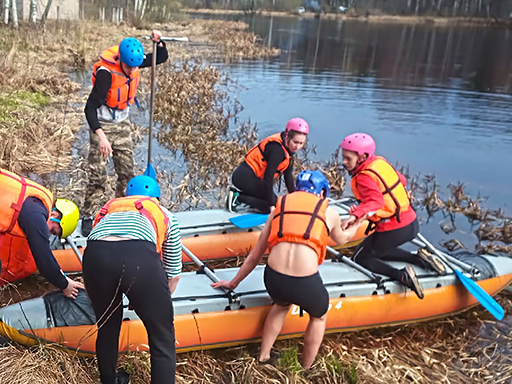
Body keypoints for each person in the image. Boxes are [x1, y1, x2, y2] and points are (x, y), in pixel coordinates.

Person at [214, 170, 365, 369]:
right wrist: (358, 223)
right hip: (304, 281)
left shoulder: (279, 207)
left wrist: (233, 283)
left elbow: (255, 255)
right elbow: (342, 239)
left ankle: (264, 356)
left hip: (274, 278)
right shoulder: (330, 212)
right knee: (319, 316)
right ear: (321, 193)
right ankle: (306, 367)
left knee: (281, 305)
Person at [83, 175, 182, 384]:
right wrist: (151, 302)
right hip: (138, 255)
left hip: (95, 255)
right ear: (156, 198)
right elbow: (172, 274)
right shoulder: (165, 214)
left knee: (107, 326)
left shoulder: (107, 210)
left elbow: (99, 244)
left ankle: (110, 380)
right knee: (162, 337)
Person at [339, 133, 446, 300]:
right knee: (377, 250)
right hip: (410, 223)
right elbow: (401, 180)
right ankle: (419, 259)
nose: (344, 162)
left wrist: (357, 215)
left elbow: (376, 201)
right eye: (343, 157)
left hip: (393, 229)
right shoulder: (379, 162)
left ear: (363, 157)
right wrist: (364, 208)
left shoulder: (364, 177)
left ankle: (402, 276)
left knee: (360, 257)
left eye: (348, 158)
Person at [82, 31, 169, 234]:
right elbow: (89, 109)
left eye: (135, 67)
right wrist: (101, 137)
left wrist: (160, 42)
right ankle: (88, 214)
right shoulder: (106, 74)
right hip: (102, 125)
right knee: (98, 176)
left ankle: (120, 212)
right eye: (129, 66)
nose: (132, 70)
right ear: (121, 60)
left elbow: (162, 57)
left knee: (127, 173)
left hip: (122, 125)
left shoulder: (136, 61)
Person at [0, 168, 83, 298]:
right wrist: (65, 285)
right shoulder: (36, 215)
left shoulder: (34, 203)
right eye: (53, 230)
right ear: (55, 214)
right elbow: (43, 259)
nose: (48, 233)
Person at [226, 117, 309, 214]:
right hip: (244, 177)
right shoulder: (277, 150)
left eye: (301, 143)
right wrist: (271, 206)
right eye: (295, 142)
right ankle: (237, 198)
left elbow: (288, 175)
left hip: (253, 179)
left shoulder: (287, 148)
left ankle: (243, 198)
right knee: (272, 205)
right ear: (287, 136)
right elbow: (268, 177)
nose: (297, 147)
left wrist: (294, 198)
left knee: (272, 201)